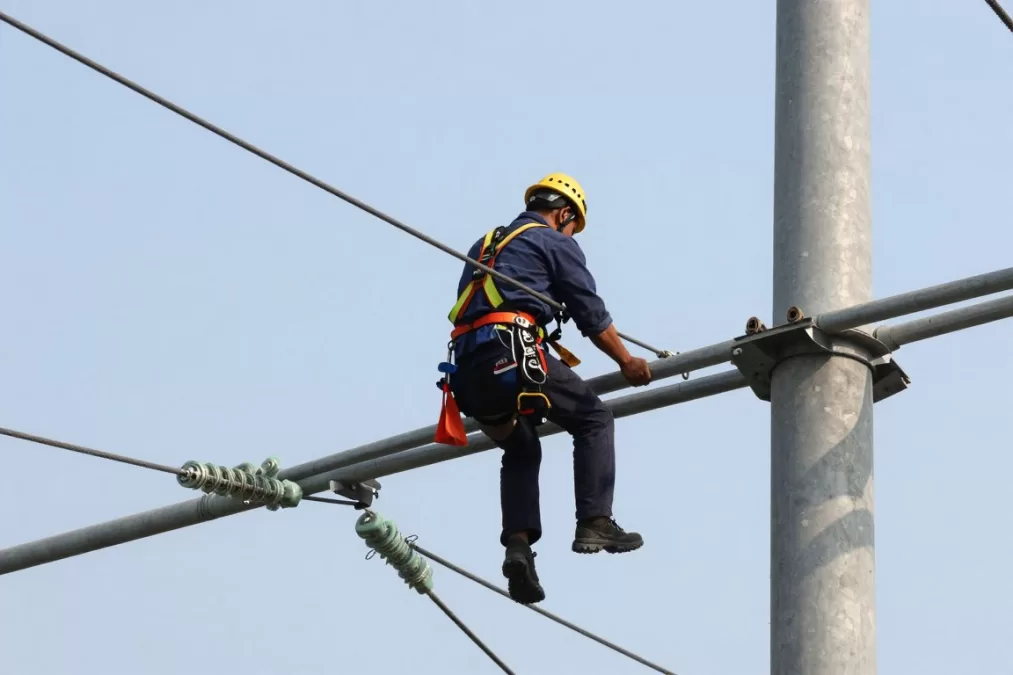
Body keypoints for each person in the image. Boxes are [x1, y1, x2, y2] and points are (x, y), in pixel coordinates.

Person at [439, 172, 653, 605]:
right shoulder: (555, 241)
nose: (572, 233)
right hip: (513, 354)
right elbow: (591, 315)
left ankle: (518, 546)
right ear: (564, 213)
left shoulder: (484, 245)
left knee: (521, 448)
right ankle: (595, 520)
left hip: (469, 371)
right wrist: (626, 361)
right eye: (573, 225)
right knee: (593, 419)